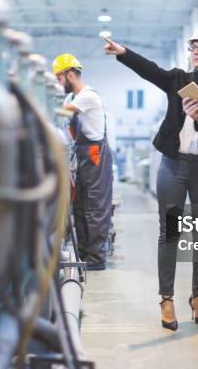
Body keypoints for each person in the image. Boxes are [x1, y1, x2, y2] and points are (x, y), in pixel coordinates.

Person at [104, 25, 198, 331]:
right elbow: (150, 71)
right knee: (169, 232)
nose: (196, 51)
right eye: (193, 46)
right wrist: (124, 54)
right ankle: (167, 299)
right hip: (174, 164)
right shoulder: (179, 79)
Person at [52, 53, 113, 271]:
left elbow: (60, 113)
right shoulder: (72, 99)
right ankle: (86, 254)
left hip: (96, 155)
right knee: (81, 206)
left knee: (94, 207)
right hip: (83, 155)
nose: (59, 85)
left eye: (59, 79)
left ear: (70, 74)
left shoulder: (87, 96)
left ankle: (96, 258)